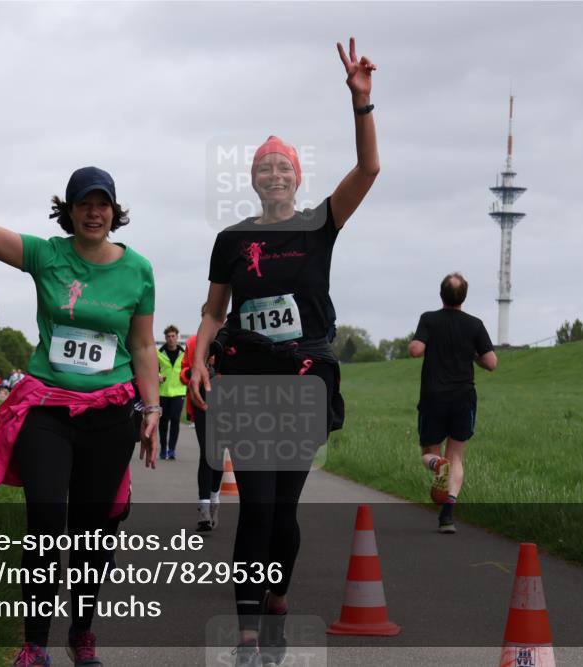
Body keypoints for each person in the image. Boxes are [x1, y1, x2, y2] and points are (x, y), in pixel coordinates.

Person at [189, 38, 379, 667]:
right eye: (264, 167)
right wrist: (196, 363)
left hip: (303, 378)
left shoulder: (321, 224)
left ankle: (275, 594)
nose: (274, 174)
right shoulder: (230, 239)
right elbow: (215, 310)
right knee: (256, 507)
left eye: (284, 166)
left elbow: (369, 171)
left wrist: (361, 105)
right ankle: (248, 629)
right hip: (244, 378)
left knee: (285, 514)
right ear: (252, 179)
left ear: (298, 176)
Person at [0, 120, 160, 667]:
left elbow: (140, 347)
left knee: (93, 533)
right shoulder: (47, 255)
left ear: (115, 211)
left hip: (110, 412)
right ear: (68, 210)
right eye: (83, 203)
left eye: (103, 203)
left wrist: (153, 408)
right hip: (47, 408)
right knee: (44, 524)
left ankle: (81, 634)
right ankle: (34, 644)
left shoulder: (138, 270)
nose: (94, 212)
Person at [408, 272, 498, 534]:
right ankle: (447, 514)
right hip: (463, 398)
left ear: (441, 294)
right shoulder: (475, 324)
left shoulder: (429, 319)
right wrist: (472, 355)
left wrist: (417, 344)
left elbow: (415, 350)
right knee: (456, 455)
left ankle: (437, 465)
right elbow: (491, 363)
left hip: (434, 397)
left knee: (429, 453)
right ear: (464, 297)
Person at [180, 304, 224, 531]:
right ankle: (204, 508)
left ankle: (215, 497)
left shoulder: (231, 342)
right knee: (208, 453)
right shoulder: (192, 343)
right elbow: (183, 371)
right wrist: (192, 373)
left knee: (218, 455)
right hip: (202, 401)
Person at [157, 325, 186, 460]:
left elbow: (188, 369)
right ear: (165, 338)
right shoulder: (159, 353)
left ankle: (172, 449)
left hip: (179, 392)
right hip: (163, 392)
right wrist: (157, 375)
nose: (171, 339)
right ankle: (163, 448)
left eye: (173, 336)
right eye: (168, 336)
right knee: (163, 422)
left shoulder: (184, 354)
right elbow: (152, 369)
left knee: (175, 420)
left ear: (177, 337)